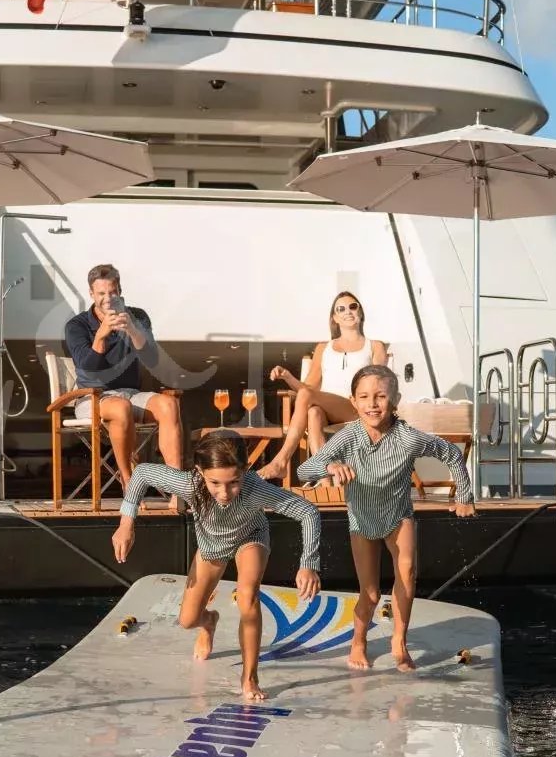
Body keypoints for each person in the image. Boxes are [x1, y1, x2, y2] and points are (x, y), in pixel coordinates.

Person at [112, 430, 322, 702]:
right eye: (215, 483)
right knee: (187, 620)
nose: (225, 493)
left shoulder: (255, 489)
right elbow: (141, 474)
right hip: (211, 546)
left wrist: (308, 563)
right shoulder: (189, 484)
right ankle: (209, 621)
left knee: (248, 596)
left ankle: (250, 677)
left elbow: (308, 511)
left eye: (234, 482)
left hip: (250, 536)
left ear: (245, 470)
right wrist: (126, 523)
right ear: (200, 472)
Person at [295, 364, 474, 673]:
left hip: (398, 516)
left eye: (380, 396)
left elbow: (451, 454)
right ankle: (359, 640)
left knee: (407, 573)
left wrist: (464, 497)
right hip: (361, 521)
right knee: (371, 593)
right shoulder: (348, 437)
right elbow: (303, 470)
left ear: (395, 400)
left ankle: (399, 641)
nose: (372, 404)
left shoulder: (408, 438)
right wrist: (330, 467)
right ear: (353, 401)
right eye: (364, 397)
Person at [63, 263, 184, 483]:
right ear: (91, 294)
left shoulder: (137, 316)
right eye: (101, 293)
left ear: (120, 291)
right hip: (93, 397)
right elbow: (89, 367)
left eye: (112, 292)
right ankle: (130, 483)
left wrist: (133, 330)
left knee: (169, 404)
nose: (107, 299)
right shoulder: (76, 325)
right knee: (121, 407)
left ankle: (176, 486)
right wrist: (100, 335)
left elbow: (152, 359)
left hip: (131, 394)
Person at [258, 291, 387, 481]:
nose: (348, 311)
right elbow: (308, 387)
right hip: (328, 411)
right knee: (313, 412)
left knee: (307, 397)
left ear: (360, 312)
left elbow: (379, 384)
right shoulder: (323, 348)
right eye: (341, 309)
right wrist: (288, 377)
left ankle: (281, 461)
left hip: (358, 408)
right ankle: (326, 482)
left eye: (353, 306)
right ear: (334, 318)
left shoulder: (375, 346)